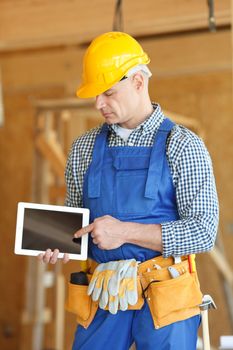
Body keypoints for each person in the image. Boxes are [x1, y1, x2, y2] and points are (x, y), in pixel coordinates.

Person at [39, 31, 219, 350]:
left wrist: (124, 232)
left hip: (165, 297)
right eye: (95, 95)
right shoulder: (83, 149)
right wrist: (61, 243)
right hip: (104, 296)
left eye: (108, 93)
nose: (98, 104)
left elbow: (203, 232)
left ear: (138, 81)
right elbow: (76, 225)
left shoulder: (184, 145)